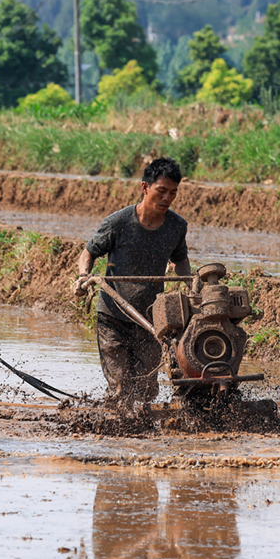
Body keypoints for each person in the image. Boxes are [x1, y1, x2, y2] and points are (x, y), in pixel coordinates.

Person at [74, 157, 190, 412]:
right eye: (161, 191)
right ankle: (117, 426)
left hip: (150, 320)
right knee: (121, 387)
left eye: (173, 193)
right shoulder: (118, 222)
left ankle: (137, 425)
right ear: (145, 187)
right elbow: (88, 252)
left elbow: (180, 260)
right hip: (113, 316)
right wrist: (83, 277)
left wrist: (191, 286)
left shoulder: (176, 226)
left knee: (146, 390)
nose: (167, 198)